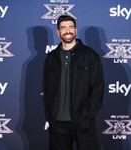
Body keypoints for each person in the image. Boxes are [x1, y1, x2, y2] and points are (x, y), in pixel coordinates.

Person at [42, 15, 104, 150]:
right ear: (58, 32)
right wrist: (50, 115)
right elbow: (46, 90)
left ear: (75, 30)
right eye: (63, 28)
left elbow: (98, 88)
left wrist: (89, 115)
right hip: (57, 124)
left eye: (71, 27)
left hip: (83, 122)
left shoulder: (91, 56)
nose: (67, 31)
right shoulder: (51, 58)